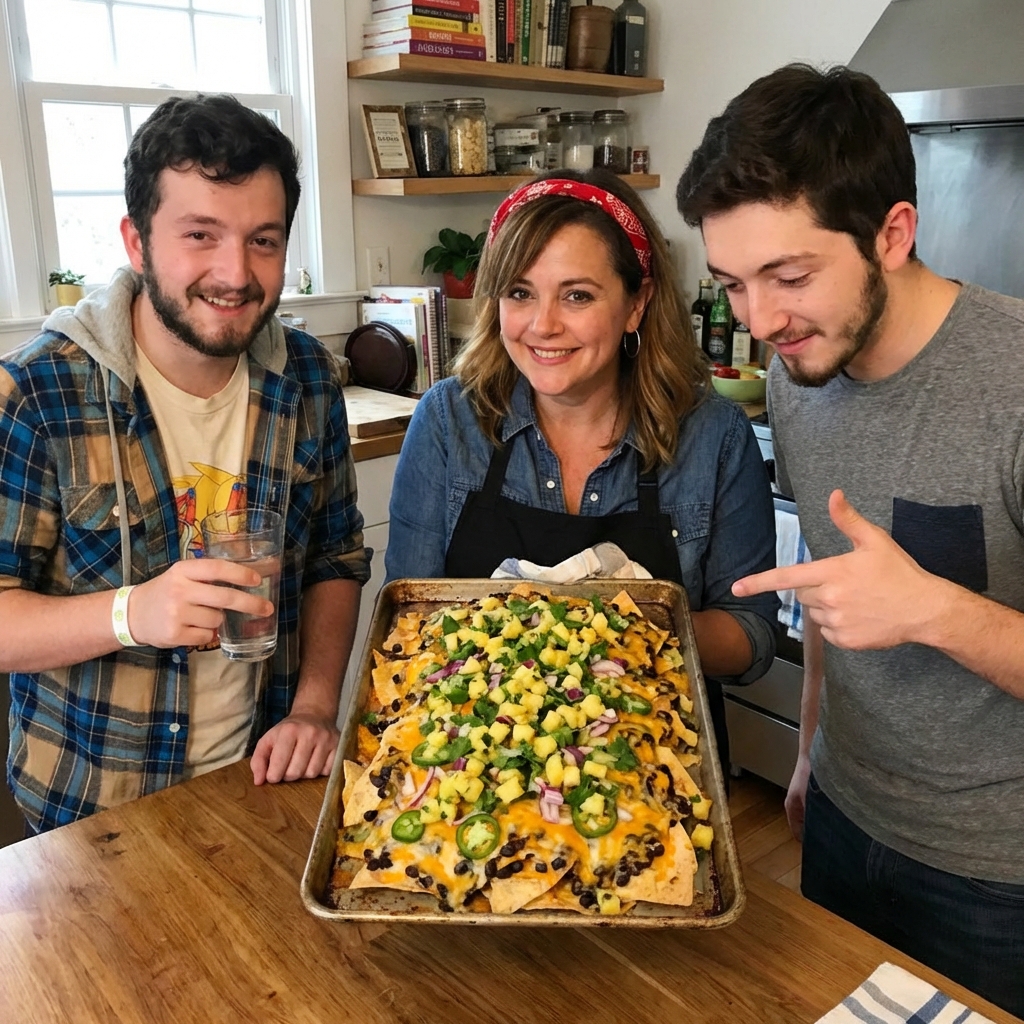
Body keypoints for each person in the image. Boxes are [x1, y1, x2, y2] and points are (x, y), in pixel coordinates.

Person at [677, 64, 1024, 1015]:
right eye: (734, 284)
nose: (760, 322)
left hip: (998, 878)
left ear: (893, 234)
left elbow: (902, 604)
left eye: (790, 277)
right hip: (841, 817)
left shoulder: (1013, 384)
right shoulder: (800, 378)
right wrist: (808, 755)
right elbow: (837, 589)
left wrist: (935, 611)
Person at [0, 95, 369, 834]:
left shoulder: (308, 378)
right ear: (136, 242)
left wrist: (314, 707)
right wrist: (131, 613)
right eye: (200, 235)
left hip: (263, 780)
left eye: (263, 241)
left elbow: (335, 558)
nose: (235, 273)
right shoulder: (36, 393)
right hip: (92, 809)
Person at [385, 169, 778, 768]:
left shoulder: (714, 437)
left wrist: (611, 626)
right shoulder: (448, 421)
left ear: (636, 304)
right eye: (520, 292)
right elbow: (409, 616)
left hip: (651, 763)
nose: (543, 325)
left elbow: (752, 637)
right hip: (473, 767)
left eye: (577, 296)